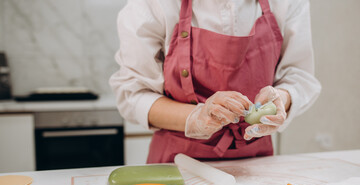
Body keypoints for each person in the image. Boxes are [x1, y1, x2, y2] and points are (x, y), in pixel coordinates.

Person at [110, 0, 321, 163]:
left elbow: (298, 76)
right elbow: (134, 94)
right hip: (177, 166)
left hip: (257, 164)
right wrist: (195, 117)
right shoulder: (152, 5)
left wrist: (280, 100)